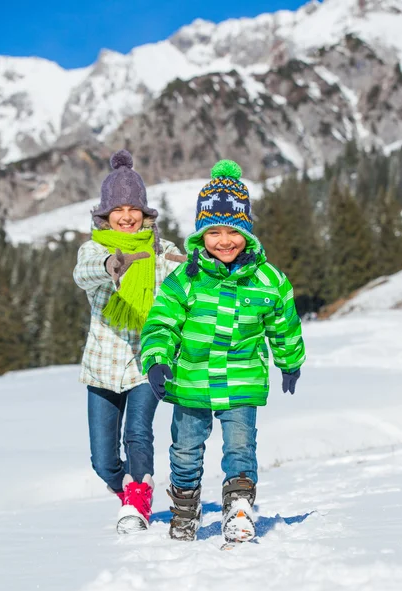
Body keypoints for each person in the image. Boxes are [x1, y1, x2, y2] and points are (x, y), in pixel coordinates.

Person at [140, 159, 305, 543]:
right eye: (213, 231)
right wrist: (157, 359)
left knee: (240, 447)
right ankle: (184, 509)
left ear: (247, 231)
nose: (224, 240)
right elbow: (162, 322)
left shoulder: (269, 281)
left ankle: (239, 510)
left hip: (242, 377)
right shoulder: (186, 278)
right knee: (184, 449)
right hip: (191, 378)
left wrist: (290, 361)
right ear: (201, 234)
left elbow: (284, 323)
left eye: (233, 230)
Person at [73, 149, 181, 534]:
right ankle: (130, 493)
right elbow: (83, 273)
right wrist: (110, 266)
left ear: (145, 213)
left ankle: (138, 495)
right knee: (102, 460)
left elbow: (181, 268)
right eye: (117, 208)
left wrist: (195, 265)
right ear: (104, 215)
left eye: (133, 207)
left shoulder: (159, 251)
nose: (126, 215)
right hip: (101, 368)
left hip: (144, 362)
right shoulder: (95, 250)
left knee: (138, 432)